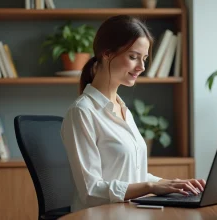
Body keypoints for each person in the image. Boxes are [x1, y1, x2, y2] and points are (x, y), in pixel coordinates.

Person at [61, 15, 206, 212]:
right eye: (133, 57)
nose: (142, 67)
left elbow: (130, 175)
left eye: (144, 58)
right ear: (107, 54)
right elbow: (91, 190)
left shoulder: (123, 110)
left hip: (132, 212)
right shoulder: (82, 112)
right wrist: (150, 187)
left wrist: (171, 184)